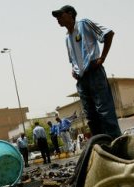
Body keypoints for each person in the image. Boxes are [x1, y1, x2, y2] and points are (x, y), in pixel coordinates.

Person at [52, 5, 122, 139]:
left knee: (104, 111)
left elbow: (108, 34)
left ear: (70, 14)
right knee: (90, 115)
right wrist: (74, 70)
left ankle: (117, 143)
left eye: (60, 15)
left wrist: (102, 58)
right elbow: (73, 59)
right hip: (81, 80)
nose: (58, 19)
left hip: (94, 72)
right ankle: (101, 145)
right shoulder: (67, 38)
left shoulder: (83, 24)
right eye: (57, 17)